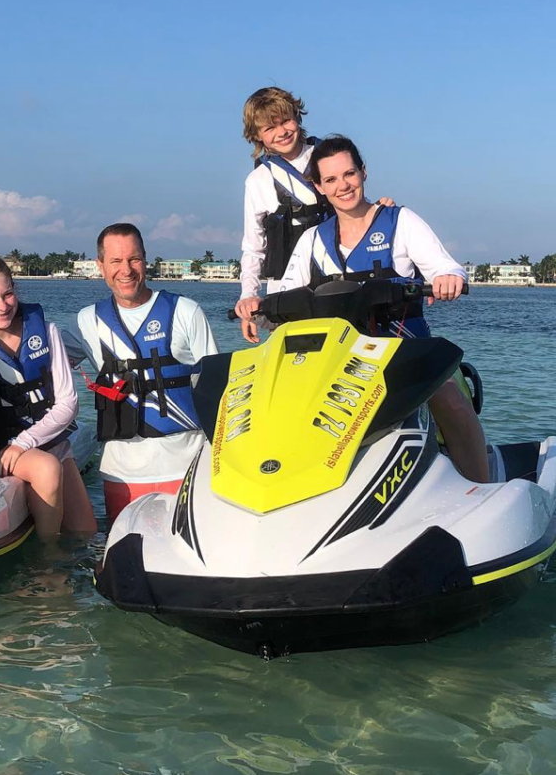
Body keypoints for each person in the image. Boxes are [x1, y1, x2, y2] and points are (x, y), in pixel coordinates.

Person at [275, 134, 492, 483]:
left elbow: (444, 266)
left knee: (450, 401)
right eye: (330, 179)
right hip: (338, 361)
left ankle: (481, 486)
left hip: (406, 353)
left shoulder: (400, 221)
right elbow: (284, 294)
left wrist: (448, 278)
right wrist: (258, 306)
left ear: (363, 172)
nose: (342, 186)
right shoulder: (312, 241)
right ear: (318, 186)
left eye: (349, 174)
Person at [76, 224, 218, 523]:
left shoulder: (186, 311)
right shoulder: (86, 321)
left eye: (134, 259)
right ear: (100, 266)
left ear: (145, 260)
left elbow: (219, 388)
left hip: (187, 468)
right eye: (115, 261)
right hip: (121, 476)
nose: (125, 270)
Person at [0, 251, 98, 535]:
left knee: (86, 533)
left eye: (7, 295)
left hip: (45, 442)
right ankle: (48, 558)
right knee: (46, 469)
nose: (2, 306)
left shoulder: (46, 331)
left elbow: (68, 403)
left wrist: (24, 442)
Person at [233, 87, 394, 343]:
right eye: (269, 128)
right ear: (256, 136)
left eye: (285, 120)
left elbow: (354, 203)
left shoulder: (327, 157)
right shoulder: (257, 181)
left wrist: (380, 212)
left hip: (343, 282)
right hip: (289, 293)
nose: (282, 132)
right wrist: (248, 298)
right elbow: (253, 247)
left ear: (297, 116)